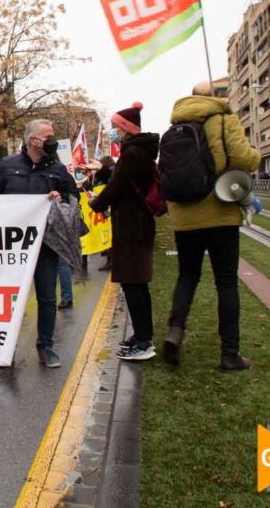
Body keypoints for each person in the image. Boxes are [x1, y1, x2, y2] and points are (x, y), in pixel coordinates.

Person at [162, 83, 260, 371]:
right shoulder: (224, 119)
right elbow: (244, 158)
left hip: (183, 216)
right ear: (214, 97)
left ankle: (174, 332)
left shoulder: (174, 128)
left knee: (187, 276)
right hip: (220, 212)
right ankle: (230, 354)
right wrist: (256, 155)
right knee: (226, 281)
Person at [0, 119, 75, 368]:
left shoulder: (58, 170)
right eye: (48, 136)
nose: (52, 140)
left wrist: (60, 199)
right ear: (33, 141)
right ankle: (7, 347)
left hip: (45, 245)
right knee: (9, 299)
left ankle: (45, 346)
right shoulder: (8, 165)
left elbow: (73, 199)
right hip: (12, 247)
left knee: (48, 298)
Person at [89, 103, 160, 361]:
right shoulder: (137, 151)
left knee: (133, 282)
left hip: (133, 225)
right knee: (135, 282)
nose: (112, 131)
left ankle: (144, 341)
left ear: (126, 128)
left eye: (115, 126)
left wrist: (97, 203)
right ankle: (142, 335)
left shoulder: (133, 153)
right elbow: (122, 178)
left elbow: (118, 185)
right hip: (134, 223)